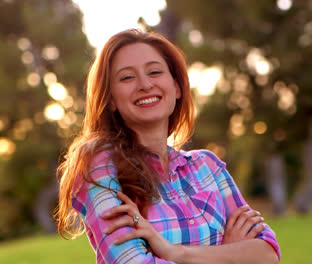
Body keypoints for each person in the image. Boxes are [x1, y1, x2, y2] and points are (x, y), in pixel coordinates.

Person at [55, 29, 280, 264]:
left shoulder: (208, 166)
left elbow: (268, 254)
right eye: (127, 78)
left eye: (155, 72)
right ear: (110, 99)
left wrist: (173, 252)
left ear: (177, 87)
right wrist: (229, 254)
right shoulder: (99, 165)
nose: (144, 84)